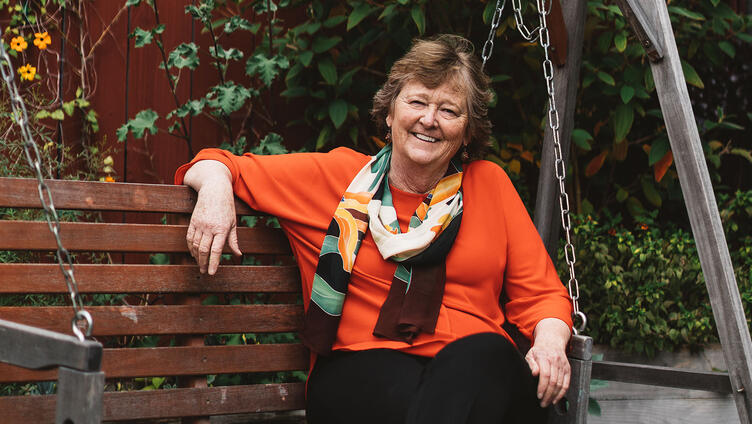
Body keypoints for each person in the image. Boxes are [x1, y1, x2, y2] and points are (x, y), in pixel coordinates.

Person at [175, 34, 572, 424]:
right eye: (417, 102)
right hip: (360, 371)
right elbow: (219, 163)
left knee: (485, 356)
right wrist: (214, 187)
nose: (429, 120)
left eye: (449, 111)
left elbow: (541, 296)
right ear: (389, 112)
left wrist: (551, 343)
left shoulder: (490, 185)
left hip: (479, 377)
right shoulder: (336, 178)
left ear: (468, 131)